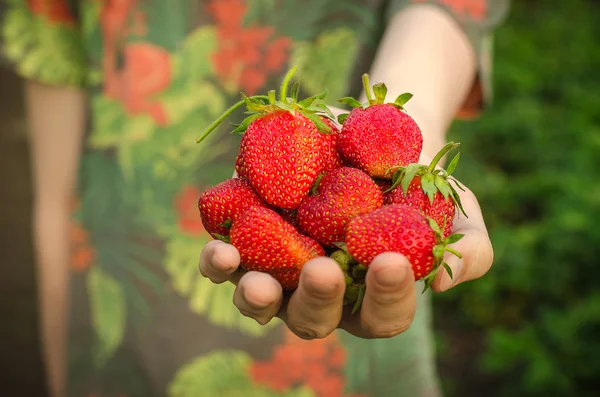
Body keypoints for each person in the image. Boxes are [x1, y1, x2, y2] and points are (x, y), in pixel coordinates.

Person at [1, 0, 509, 396]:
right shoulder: (286, 166)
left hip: (351, 300)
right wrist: (63, 360)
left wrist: (403, 115)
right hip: (127, 292)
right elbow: (57, 201)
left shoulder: (339, 184)